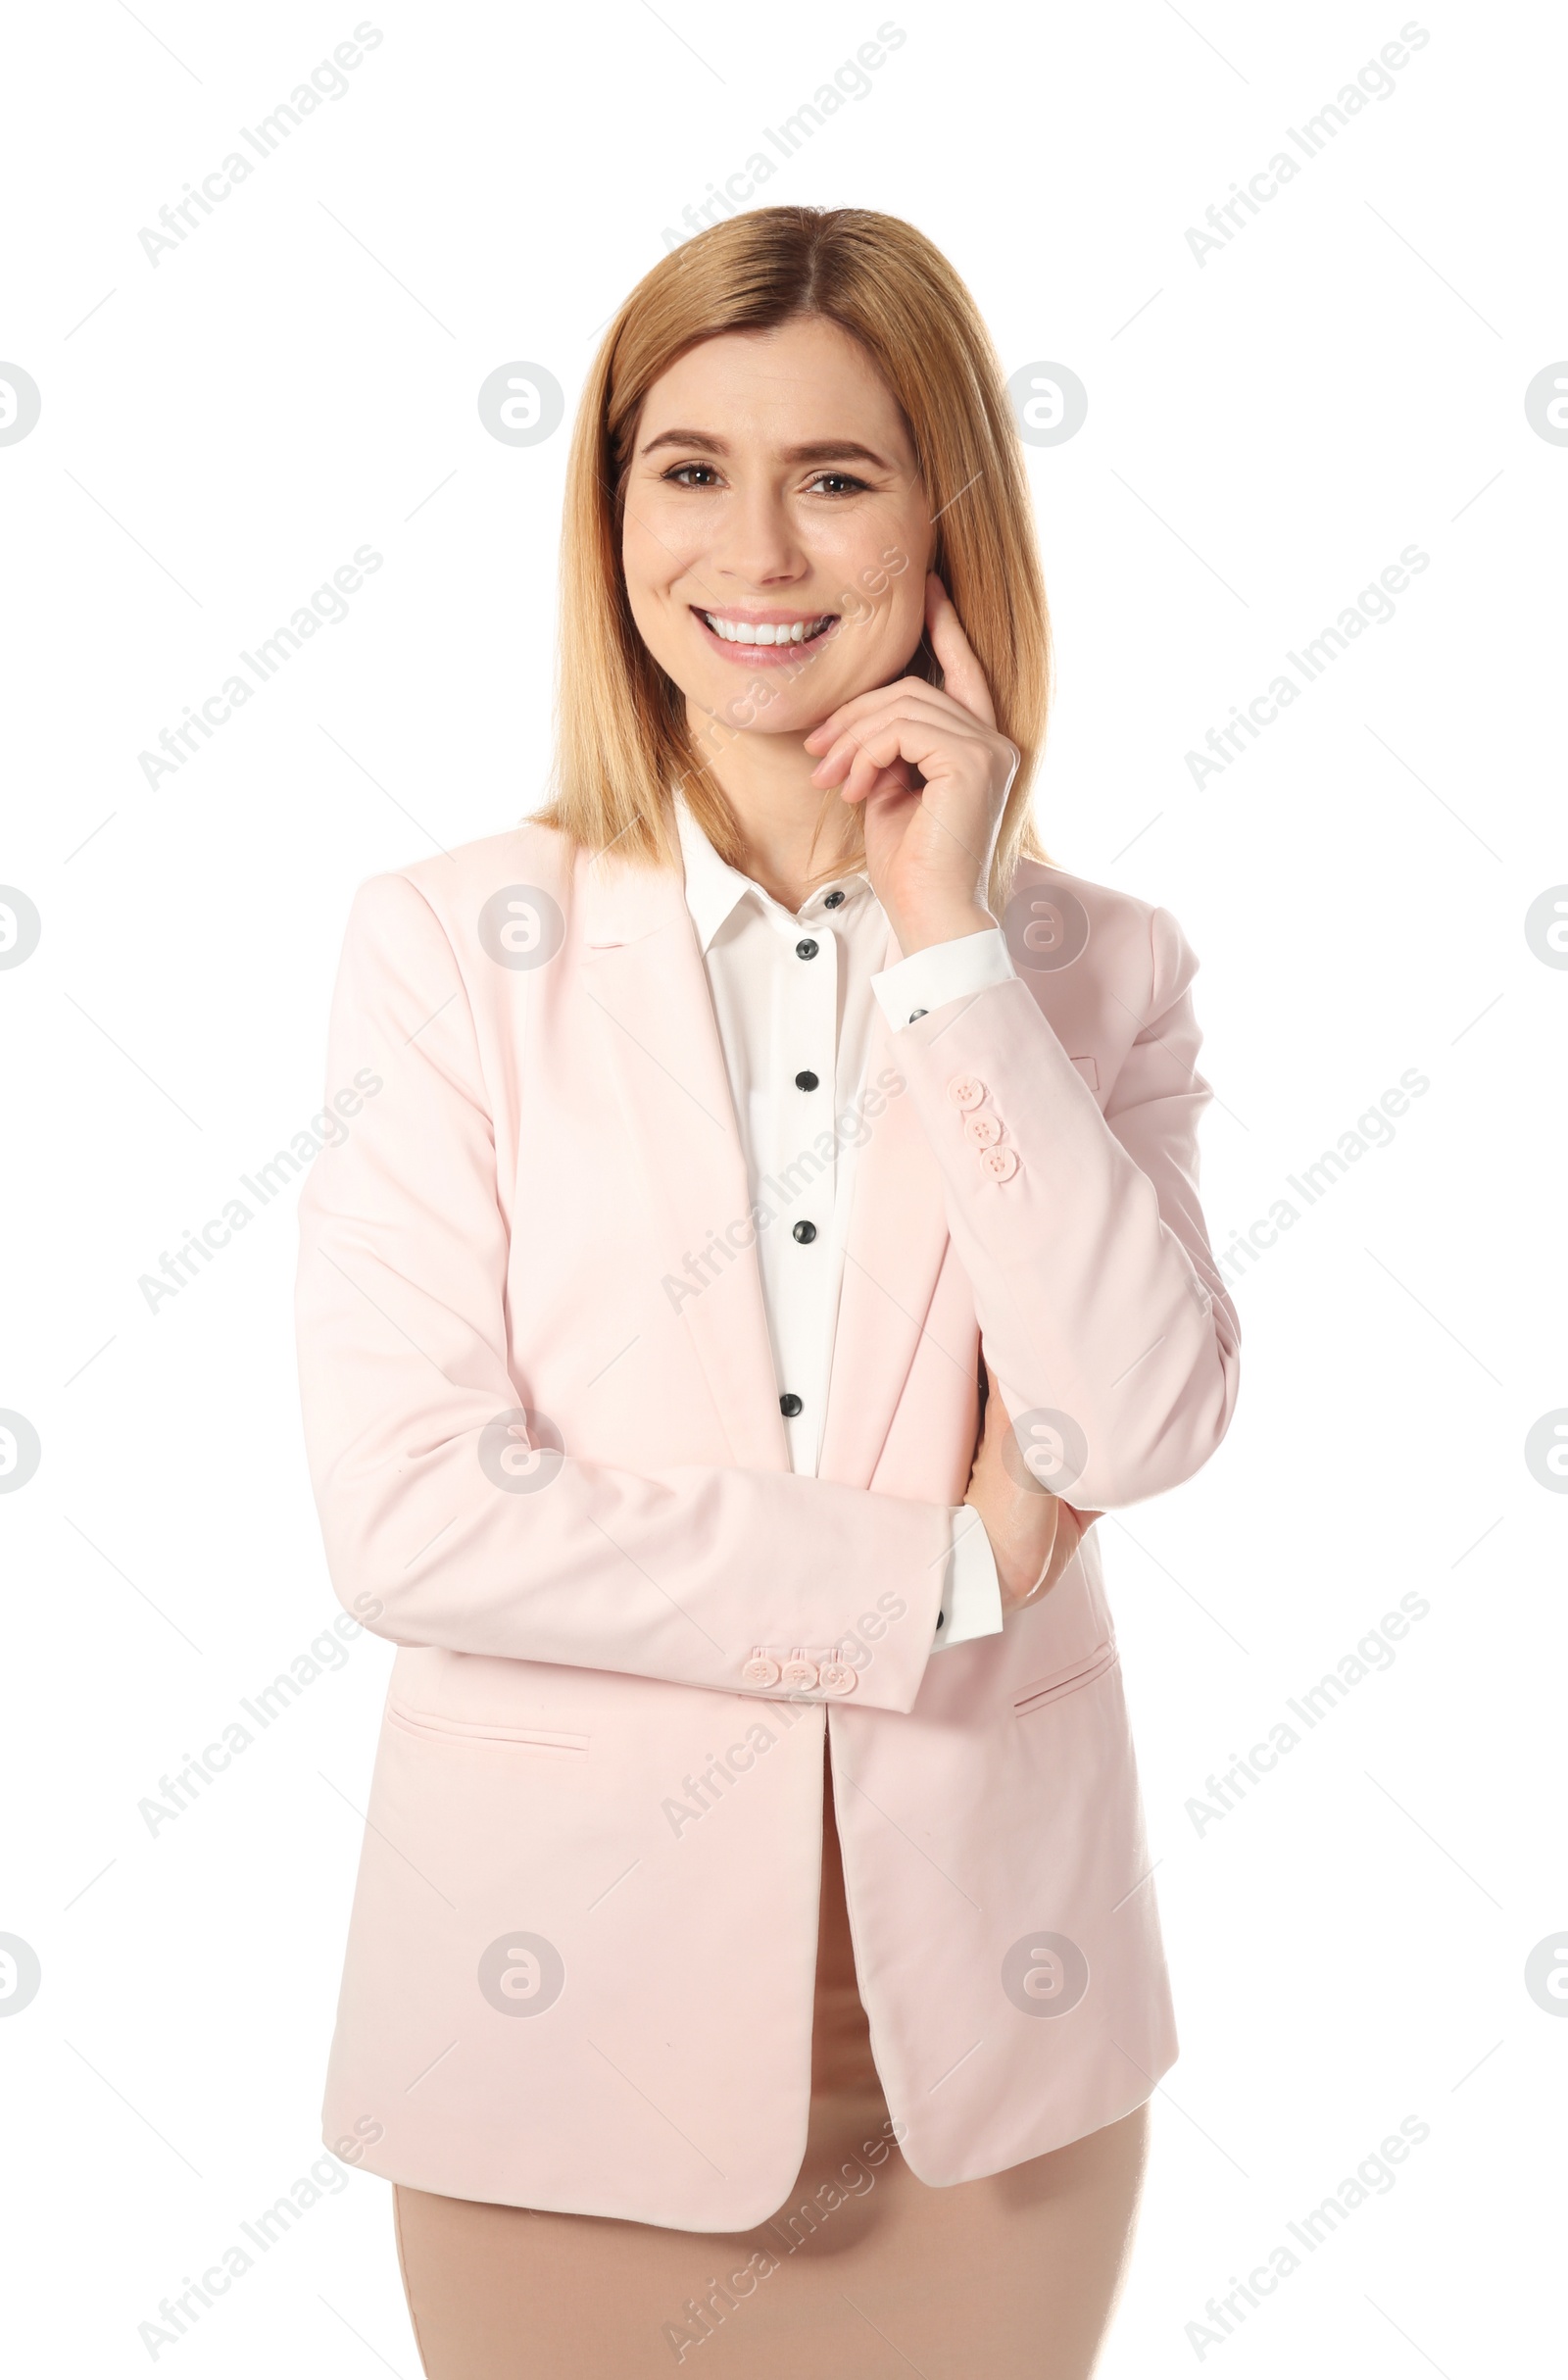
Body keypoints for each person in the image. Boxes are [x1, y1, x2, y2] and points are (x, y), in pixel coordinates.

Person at [295, 203, 1241, 2378]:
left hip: (988, 2066)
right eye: (686, 467)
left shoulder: (1095, 968)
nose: (759, 548)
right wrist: (942, 1573)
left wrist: (951, 949)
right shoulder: (451, 945)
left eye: (836, 475)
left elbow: (1136, 1421)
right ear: (609, 508)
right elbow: (414, 1513)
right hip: (556, 2042)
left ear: (939, 523)